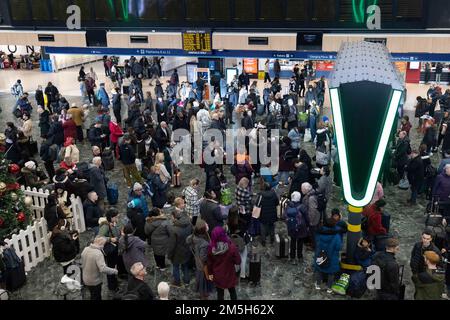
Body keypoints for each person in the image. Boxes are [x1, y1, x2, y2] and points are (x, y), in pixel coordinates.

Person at [206, 226, 241, 300]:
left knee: (220, 293)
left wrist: (210, 274)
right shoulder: (231, 247)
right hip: (229, 274)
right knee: (232, 291)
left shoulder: (210, 249)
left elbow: (209, 264)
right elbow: (238, 261)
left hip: (218, 275)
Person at [81, 236, 118, 300]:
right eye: (104, 244)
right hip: (94, 281)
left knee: (92, 294)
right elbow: (103, 269)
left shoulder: (85, 249)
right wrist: (114, 271)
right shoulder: (98, 253)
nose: (104, 246)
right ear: (101, 244)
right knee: (96, 296)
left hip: (85, 278)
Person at [186, 219, 214, 299]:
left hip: (197, 262)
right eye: (206, 225)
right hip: (204, 265)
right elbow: (203, 257)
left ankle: (202, 290)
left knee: (201, 277)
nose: (208, 225)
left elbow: (187, 241)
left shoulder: (194, 236)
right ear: (203, 230)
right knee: (205, 279)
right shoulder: (204, 243)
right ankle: (204, 294)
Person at [314, 218, 342, 293]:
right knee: (331, 273)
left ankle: (318, 284)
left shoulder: (319, 233)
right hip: (332, 258)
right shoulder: (336, 236)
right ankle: (329, 288)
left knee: (319, 270)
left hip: (320, 255)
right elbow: (338, 247)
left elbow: (316, 242)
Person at [167, 209, 193, 287]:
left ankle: (177, 282)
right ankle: (187, 281)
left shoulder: (173, 229)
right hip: (187, 249)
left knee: (175, 267)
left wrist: (169, 255)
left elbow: (172, 245)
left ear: (174, 217)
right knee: (185, 266)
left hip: (177, 253)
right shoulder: (189, 224)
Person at [98, 208, 121, 291]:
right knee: (110, 267)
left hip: (114, 249)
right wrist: (110, 239)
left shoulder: (112, 223)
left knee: (113, 265)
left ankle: (114, 281)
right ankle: (112, 286)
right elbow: (99, 238)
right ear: (111, 217)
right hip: (110, 250)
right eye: (116, 217)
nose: (118, 219)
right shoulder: (105, 226)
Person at [284, 191, 309, 263]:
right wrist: (307, 225)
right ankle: (300, 257)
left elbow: (284, 216)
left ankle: (292, 258)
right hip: (301, 227)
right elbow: (307, 217)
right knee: (300, 242)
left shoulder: (288, 206)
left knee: (293, 242)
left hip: (292, 227)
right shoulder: (302, 206)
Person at [302, 182, 321, 249]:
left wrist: (310, 221)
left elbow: (312, 210)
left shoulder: (311, 198)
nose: (301, 190)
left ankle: (314, 246)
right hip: (316, 217)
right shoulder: (312, 194)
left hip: (313, 219)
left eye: (302, 189)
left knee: (313, 233)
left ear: (306, 190)